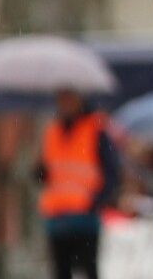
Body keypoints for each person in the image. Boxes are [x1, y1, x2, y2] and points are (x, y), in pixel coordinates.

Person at [36, 88, 120, 279]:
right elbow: (46, 173)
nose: (65, 105)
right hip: (57, 217)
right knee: (61, 272)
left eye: (69, 99)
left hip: (85, 218)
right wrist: (39, 171)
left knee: (89, 271)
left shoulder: (95, 129)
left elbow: (111, 171)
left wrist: (97, 200)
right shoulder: (52, 130)